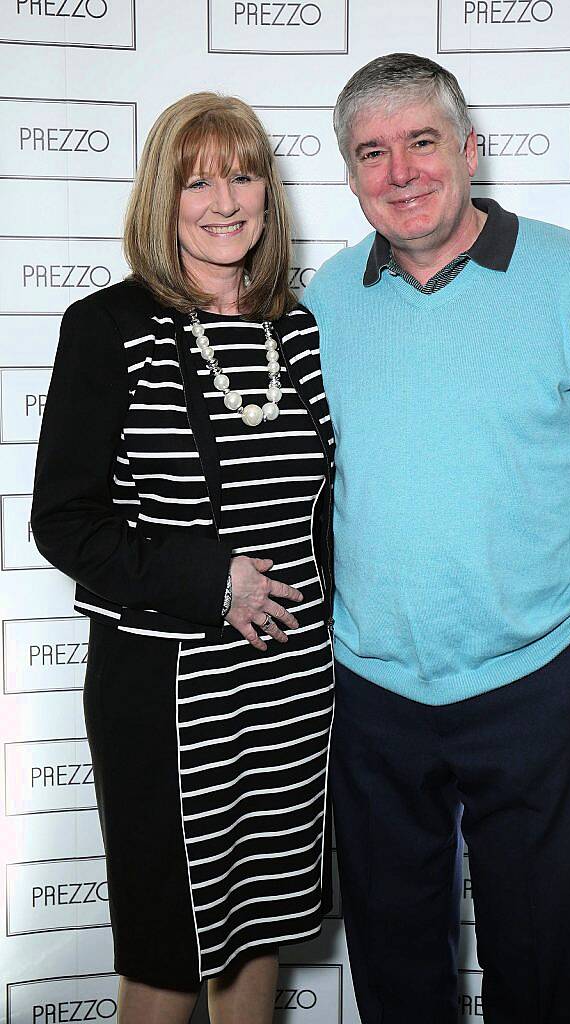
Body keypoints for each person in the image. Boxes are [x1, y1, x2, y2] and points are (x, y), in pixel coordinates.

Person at [302, 53, 570, 1023]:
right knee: (395, 987)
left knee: (535, 980)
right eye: (371, 153)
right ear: (349, 177)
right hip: (370, 701)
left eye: (421, 142)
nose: (399, 173)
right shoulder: (322, 306)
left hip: (535, 692)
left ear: (469, 149)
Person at [31, 92, 335, 1024]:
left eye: (243, 173)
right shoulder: (107, 326)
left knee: (263, 928)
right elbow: (63, 520)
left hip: (293, 683)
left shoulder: (303, 328)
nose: (223, 199)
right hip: (166, 692)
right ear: (159, 197)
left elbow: (326, 513)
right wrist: (215, 579)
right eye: (195, 178)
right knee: (168, 952)